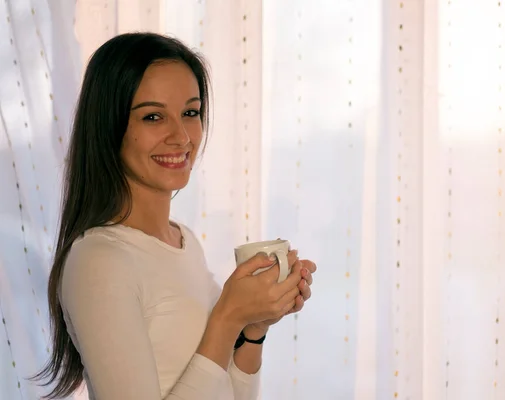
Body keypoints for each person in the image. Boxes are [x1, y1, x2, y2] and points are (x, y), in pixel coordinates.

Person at [32, 32, 316, 400]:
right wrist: (227, 317)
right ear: (109, 126)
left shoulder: (183, 241)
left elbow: (231, 395)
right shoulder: (98, 261)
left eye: (190, 113)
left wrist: (253, 327)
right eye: (153, 116)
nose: (181, 136)